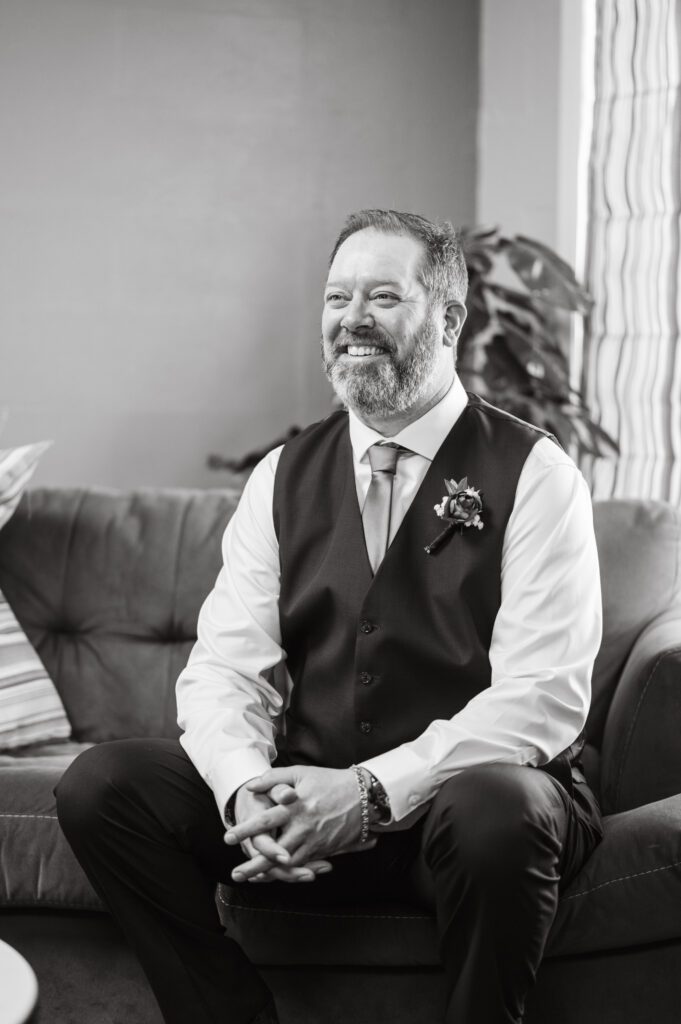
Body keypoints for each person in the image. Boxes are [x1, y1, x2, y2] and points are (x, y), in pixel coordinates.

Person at [56, 209, 604, 1024]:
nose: (350, 319)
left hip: (460, 817)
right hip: (310, 800)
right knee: (105, 786)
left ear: (448, 318)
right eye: (336, 296)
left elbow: (543, 697)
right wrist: (247, 792)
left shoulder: (536, 472)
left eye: (382, 296)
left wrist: (371, 793)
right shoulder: (282, 474)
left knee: (499, 810)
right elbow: (223, 671)